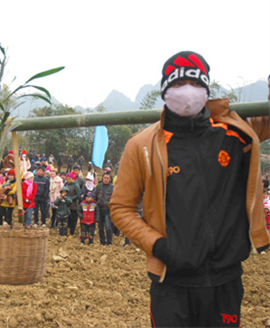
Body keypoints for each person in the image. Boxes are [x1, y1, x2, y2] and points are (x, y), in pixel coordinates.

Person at [109, 51, 270, 328]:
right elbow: (121, 208)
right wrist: (158, 245)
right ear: (165, 91)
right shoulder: (143, 145)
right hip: (172, 281)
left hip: (226, 279)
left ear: (206, 90)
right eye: (178, 84)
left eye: (196, 84)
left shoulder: (236, 130)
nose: (188, 91)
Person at [94, 173, 115, 245]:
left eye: (107, 178)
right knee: (100, 227)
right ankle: (102, 242)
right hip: (99, 209)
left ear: (110, 179)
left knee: (108, 227)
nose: (105, 179)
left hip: (108, 210)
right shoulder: (99, 186)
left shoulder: (113, 188)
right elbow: (95, 196)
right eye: (104, 178)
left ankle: (109, 242)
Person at [64, 172, 81, 238]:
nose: (68, 180)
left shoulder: (75, 185)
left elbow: (78, 194)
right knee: (68, 219)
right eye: (67, 179)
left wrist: (71, 198)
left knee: (73, 219)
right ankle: (68, 231)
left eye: (69, 179)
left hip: (74, 205)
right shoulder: (66, 185)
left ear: (72, 179)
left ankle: (72, 232)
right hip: (67, 204)